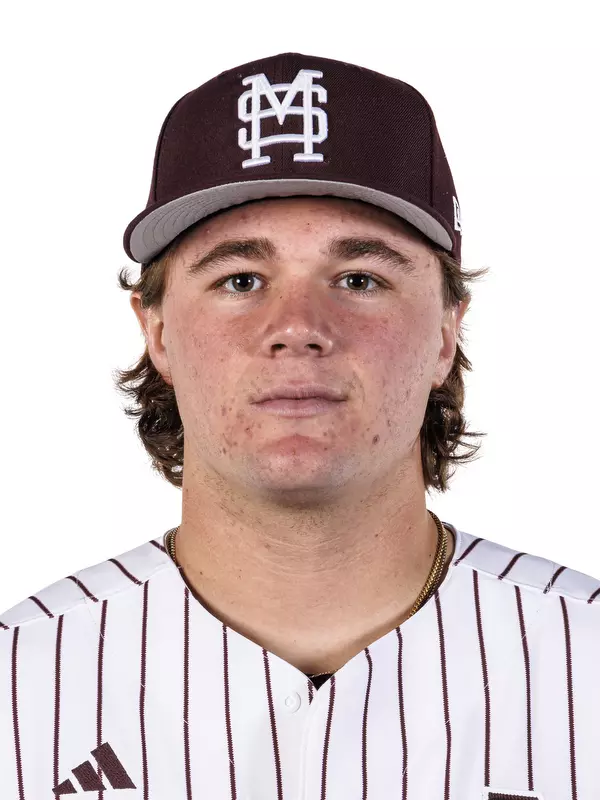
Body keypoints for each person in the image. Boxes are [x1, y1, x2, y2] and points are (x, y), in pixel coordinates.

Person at [1, 52, 598, 800]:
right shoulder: (19, 686)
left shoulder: (585, 662)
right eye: (240, 280)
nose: (298, 328)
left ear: (447, 331)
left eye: (359, 279)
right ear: (157, 332)